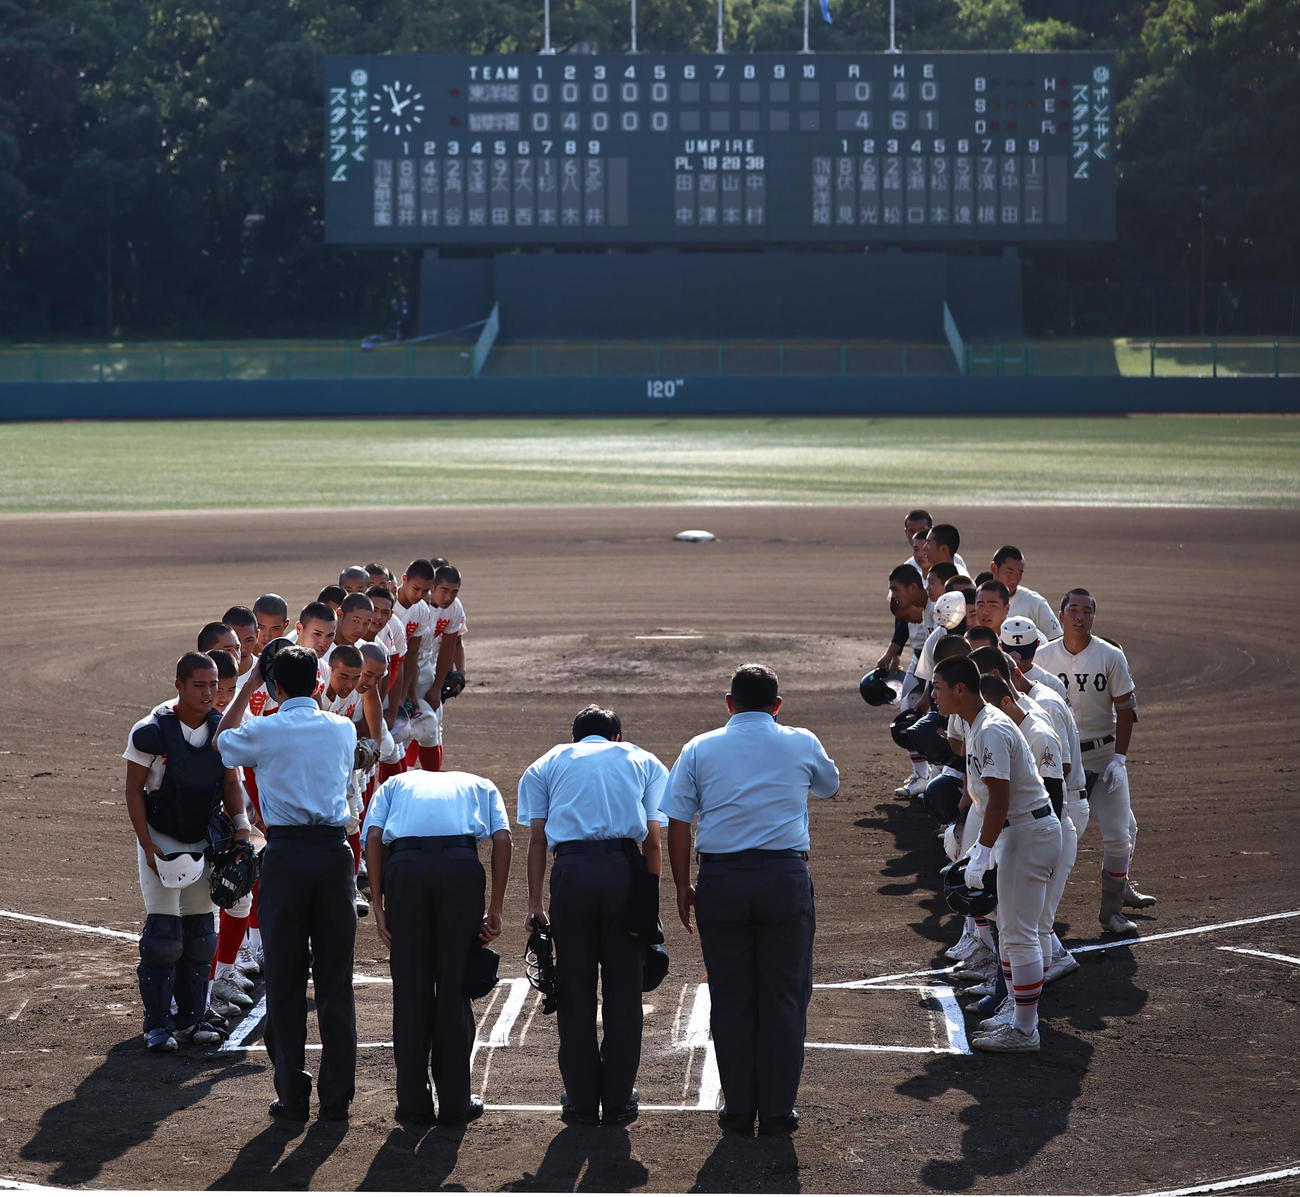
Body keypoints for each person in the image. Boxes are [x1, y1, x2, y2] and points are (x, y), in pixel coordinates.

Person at [665, 664, 839, 1136]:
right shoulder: (800, 740)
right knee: (784, 996)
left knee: (732, 996)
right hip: (784, 877)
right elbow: (830, 785)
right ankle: (779, 1110)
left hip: (721, 881)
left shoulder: (700, 747)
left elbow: (678, 822)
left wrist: (683, 885)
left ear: (729, 703)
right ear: (777, 705)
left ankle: (740, 1108)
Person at [217, 645, 358, 1122]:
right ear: (319, 685)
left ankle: (292, 1094)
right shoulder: (341, 728)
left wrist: (249, 683)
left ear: (275, 686)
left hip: (286, 857)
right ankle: (336, 1098)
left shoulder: (265, 729)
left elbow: (222, 741)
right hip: (334, 855)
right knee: (336, 979)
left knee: (284, 976)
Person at [517, 705, 668, 1127]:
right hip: (625, 873)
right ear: (617, 736)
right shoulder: (642, 759)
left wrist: (534, 904)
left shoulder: (546, 763)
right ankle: (618, 1099)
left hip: (572, 875)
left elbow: (536, 840)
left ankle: (582, 1100)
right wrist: (648, 901)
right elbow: (653, 842)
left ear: (575, 736)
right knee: (624, 993)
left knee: (575, 989)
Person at [363, 768, 511, 1125]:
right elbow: (503, 839)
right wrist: (495, 909)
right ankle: (456, 1102)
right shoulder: (481, 784)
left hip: (406, 870)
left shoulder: (394, 784)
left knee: (411, 990)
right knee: (454, 987)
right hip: (460, 870)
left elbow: (373, 837)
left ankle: (413, 1104)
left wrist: (379, 908)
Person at [931, 655, 1061, 1053]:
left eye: (938, 687)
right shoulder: (978, 726)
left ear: (960, 689)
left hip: (1026, 833)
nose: (933, 695)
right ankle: (1018, 1015)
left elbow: (1001, 798)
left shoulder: (989, 728)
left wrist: (983, 852)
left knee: (1019, 934)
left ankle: (1024, 1029)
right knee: (1011, 930)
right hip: (1018, 832)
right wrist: (982, 848)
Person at [124, 652, 250, 1051]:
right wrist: (146, 844)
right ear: (179, 685)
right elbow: (133, 790)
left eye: (214, 685)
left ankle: (193, 1020)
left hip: (204, 841)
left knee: (200, 938)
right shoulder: (151, 731)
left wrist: (242, 829)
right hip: (162, 840)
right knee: (164, 939)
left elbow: (232, 784)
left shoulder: (223, 729)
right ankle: (157, 1026)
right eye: (200, 685)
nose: (210, 692)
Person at [1037, 588, 1152, 934]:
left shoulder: (1109, 655)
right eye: (1073, 609)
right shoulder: (1043, 656)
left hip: (1102, 756)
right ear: (1061, 615)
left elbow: (1125, 709)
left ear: (1093, 618)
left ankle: (1112, 912)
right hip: (1059, 759)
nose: (1080, 616)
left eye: (1087, 611)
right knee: (1052, 835)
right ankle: (1041, 912)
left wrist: (1119, 758)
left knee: (1120, 835)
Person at [990, 546, 1064, 641]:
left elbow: (1056, 640)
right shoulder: (979, 599)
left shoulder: (1035, 602)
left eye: (1019, 573)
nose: (1015, 579)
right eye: (1010, 572)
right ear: (994, 568)